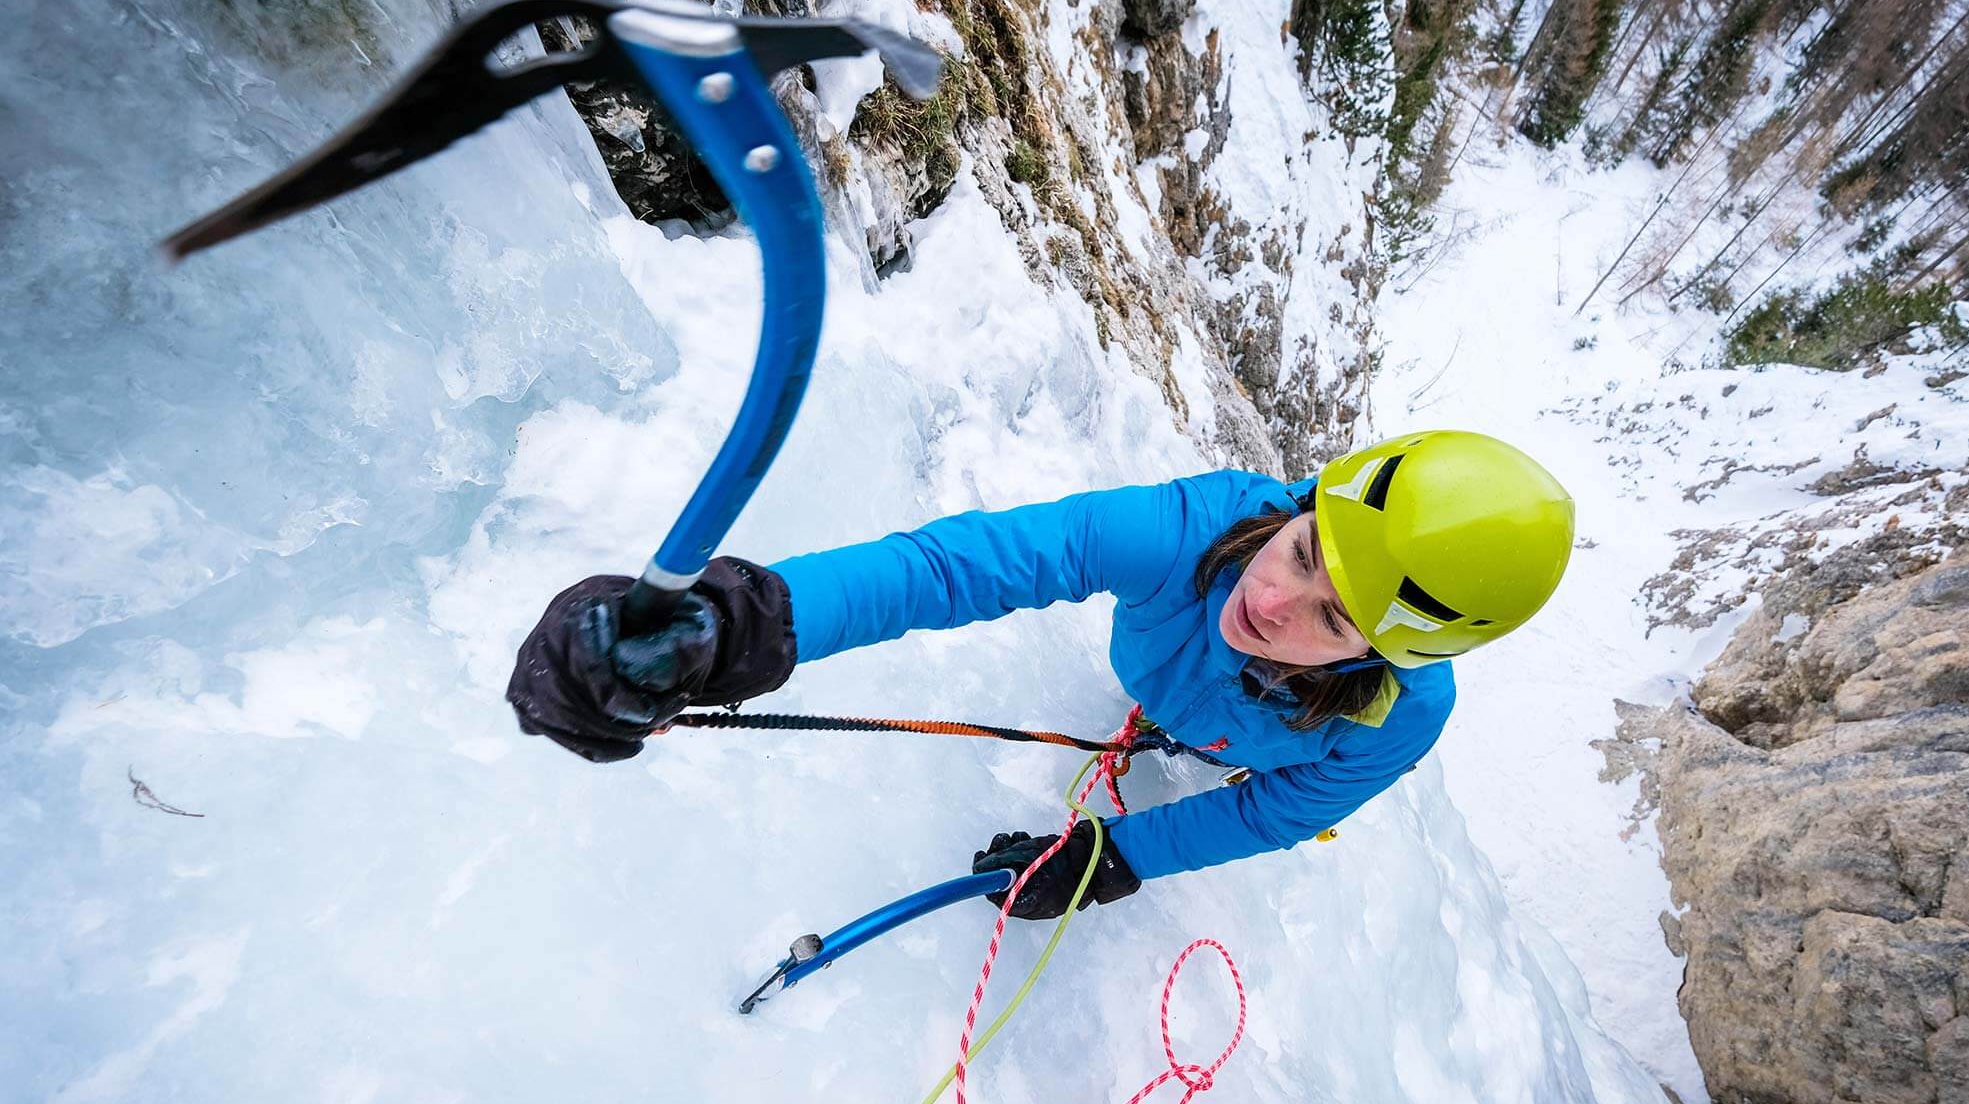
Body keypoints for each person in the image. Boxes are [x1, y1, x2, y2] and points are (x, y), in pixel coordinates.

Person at [507, 430, 1575, 919]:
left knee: (1230, 752)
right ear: (1303, 504)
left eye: (1333, 617)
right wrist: (738, 623)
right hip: (1171, 697)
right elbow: (963, 565)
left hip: (1235, 746)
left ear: (1380, 657)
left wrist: (1116, 853)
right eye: (1302, 548)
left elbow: (1278, 813)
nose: (1273, 598)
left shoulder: (1400, 719)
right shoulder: (1190, 529)